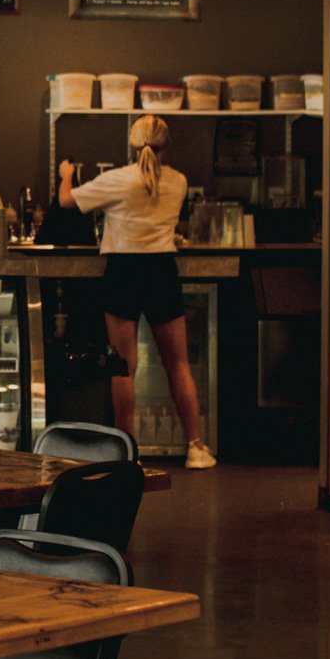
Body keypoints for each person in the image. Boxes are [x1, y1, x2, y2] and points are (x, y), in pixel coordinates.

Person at [58, 113, 216, 470]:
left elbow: (67, 201)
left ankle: (127, 452)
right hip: (161, 269)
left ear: (132, 144)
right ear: (166, 145)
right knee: (178, 364)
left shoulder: (116, 179)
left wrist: (66, 174)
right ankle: (196, 448)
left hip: (123, 270)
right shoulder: (178, 181)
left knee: (124, 368)